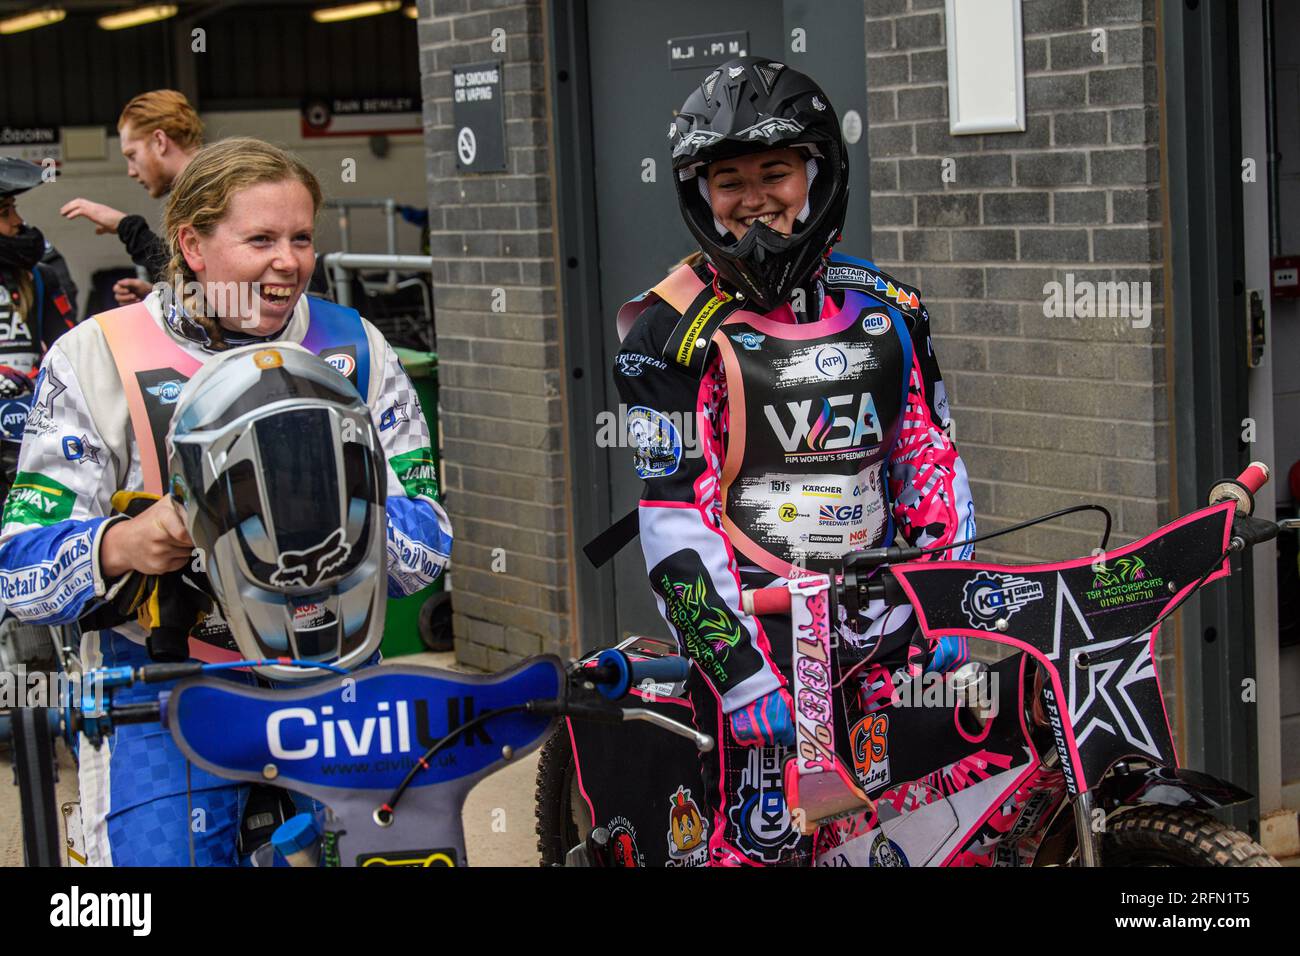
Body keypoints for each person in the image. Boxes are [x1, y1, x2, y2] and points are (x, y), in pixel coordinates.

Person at [0, 137, 453, 866]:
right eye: (262, 239)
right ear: (193, 245)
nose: (290, 262)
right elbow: (17, 571)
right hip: (165, 689)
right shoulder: (96, 354)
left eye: (302, 238)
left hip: (335, 683)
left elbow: (427, 545)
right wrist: (121, 543)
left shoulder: (357, 347)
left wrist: (342, 517)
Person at [612, 57, 975, 866]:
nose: (754, 198)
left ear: (817, 172)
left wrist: (947, 601)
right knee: (760, 847)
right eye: (728, 179)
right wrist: (739, 674)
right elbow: (672, 522)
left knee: (923, 837)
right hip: (757, 633)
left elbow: (930, 462)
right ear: (698, 192)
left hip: (887, 617)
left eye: (775, 171)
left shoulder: (889, 308)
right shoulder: (666, 334)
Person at [59, 89, 203, 304]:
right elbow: (202, 288)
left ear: (159, 141)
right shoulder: (199, 191)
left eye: (132, 155)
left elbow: (216, 294)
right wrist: (159, 296)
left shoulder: (208, 194)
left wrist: (126, 226)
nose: (131, 171)